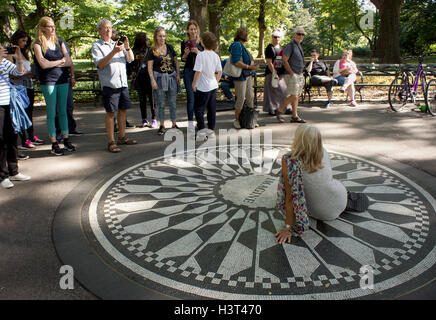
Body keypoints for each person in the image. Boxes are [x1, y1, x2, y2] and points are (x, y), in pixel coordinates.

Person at [275, 124, 369, 244]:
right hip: (338, 198)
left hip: (317, 212)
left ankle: (346, 199)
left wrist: (287, 228)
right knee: (333, 187)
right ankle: (348, 199)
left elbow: (290, 198)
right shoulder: (323, 152)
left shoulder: (289, 161)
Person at [91, 19, 137, 153]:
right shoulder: (97, 46)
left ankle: (122, 137)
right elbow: (100, 64)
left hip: (122, 83)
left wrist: (127, 47)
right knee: (111, 113)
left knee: (123, 111)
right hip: (109, 84)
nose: (108, 30)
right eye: (105, 28)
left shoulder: (118, 44)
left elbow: (131, 59)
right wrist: (114, 52)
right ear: (99, 30)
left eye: (110, 28)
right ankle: (111, 141)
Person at [33, 16, 76, 156]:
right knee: (52, 112)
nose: (53, 28)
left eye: (54, 26)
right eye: (50, 26)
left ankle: (66, 138)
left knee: (63, 111)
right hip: (48, 82)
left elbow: (69, 61)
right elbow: (43, 64)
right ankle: (54, 142)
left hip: (62, 79)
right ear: (43, 28)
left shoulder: (60, 41)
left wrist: (56, 62)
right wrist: (60, 61)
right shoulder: (38, 44)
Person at [0, 44, 31, 189]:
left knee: (12, 136)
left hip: (9, 104)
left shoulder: (5, 62)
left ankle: (14, 171)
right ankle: (2, 175)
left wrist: (18, 57)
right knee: (0, 139)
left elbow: (19, 72)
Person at [8, 31, 44, 150]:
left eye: (26, 41)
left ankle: (32, 135)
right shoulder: (11, 54)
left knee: (29, 112)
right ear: (16, 40)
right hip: (18, 88)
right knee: (21, 114)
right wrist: (25, 73)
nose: (24, 43)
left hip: (29, 86)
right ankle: (24, 140)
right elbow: (11, 75)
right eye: (22, 41)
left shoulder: (25, 53)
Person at [147, 26, 181, 136]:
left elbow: (176, 62)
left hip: (171, 77)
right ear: (156, 37)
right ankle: (162, 125)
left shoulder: (170, 48)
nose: (162, 38)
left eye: (164, 36)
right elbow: (149, 67)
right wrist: (152, 80)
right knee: (161, 103)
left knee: (173, 103)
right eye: (160, 36)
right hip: (159, 79)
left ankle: (174, 123)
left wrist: (178, 75)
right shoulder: (152, 50)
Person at [191, 32, 222, 141]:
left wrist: (193, 84)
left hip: (203, 87)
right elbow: (220, 71)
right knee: (212, 109)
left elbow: (198, 72)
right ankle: (211, 131)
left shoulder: (201, 55)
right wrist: (216, 81)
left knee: (199, 110)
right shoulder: (216, 55)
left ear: (202, 43)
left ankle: (202, 131)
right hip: (212, 86)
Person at [228, 28, 259, 129]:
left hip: (247, 75)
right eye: (247, 34)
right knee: (240, 98)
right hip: (240, 76)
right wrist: (249, 67)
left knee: (250, 96)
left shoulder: (242, 46)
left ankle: (250, 119)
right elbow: (236, 61)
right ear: (244, 35)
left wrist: (251, 65)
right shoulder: (237, 45)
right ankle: (237, 120)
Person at [276, 26, 306, 123]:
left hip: (299, 74)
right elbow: (284, 61)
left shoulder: (298, 46)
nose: (301, 36)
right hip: (291, 75)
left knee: (296, 95)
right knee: (294, 95)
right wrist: (291, 73)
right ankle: (279, 110)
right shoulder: (290, 46)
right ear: (294, 35)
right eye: (299, 34)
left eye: (302, 34)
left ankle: (294, 116)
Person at [128, 32, 157, 128]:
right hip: (139, 79)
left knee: (152, 99)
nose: (148, 41)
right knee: (142, 99)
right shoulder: (133, 51)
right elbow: (130, 64)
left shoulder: (150, 50)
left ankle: (154, 119)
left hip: (150, 78)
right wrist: (132, 72)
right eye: (146, 39)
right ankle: (144, 119)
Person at [181, 20, 203, 130]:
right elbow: (183, 59)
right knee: (191, 99)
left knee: (199, 98)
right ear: (187, 31)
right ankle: (190, 124)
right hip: (189, 72)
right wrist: (185, 54)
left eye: (195, 29)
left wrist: (198, 52)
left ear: (197, 30)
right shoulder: (184, 43)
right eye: (191, 29)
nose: (193, 31)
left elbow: (206, 57)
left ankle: (200, 123)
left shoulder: (201, 43)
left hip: (199, 73)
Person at [263, 29, 290, 115]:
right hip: (271, 73)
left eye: (278, 37)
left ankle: (286, 108)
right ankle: (273, 110)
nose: (277, 38)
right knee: (272, 92)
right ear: (272, 37)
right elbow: (269, 62)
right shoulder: (269, 48)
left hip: (281, 72)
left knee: (284, 90)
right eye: (275, 37)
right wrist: (274, 73)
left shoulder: (281, 47)